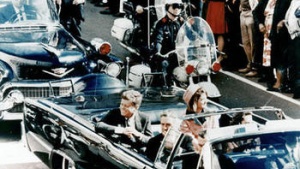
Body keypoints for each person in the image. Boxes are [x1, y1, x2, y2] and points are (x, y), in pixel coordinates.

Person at [252, 0, 291, 92]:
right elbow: (255, 12)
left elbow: (287, 15)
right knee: (269, 57)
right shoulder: (266, 0)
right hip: (267, 32)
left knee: (278, 57)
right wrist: (260, 24)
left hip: (279, 33)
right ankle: (272, 79)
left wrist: (282, 23)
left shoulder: (285, 1)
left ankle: (279, 82)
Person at [151, 0, 184, 86]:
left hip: (179, 55)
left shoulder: (181, 22)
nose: (177, 9)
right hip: (166, 55)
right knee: (164, 71)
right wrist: (158, 51)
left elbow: (190, 33)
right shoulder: (161, 24)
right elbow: (158, 39)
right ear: (167, 8)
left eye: (180, 7)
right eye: (174, 6)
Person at [238, 0, 258, 77]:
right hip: (243, 13)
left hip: (251, 12)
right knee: (245, 42)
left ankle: (254, 67)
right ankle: (249, 64)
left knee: (253, 42)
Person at [285, 0, 300, 99]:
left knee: (298, 65)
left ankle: (298, 89)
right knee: (294, 63)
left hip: (298, 35)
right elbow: (289, 15)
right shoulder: (294, 1)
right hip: (293, 35)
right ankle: (295, 87)